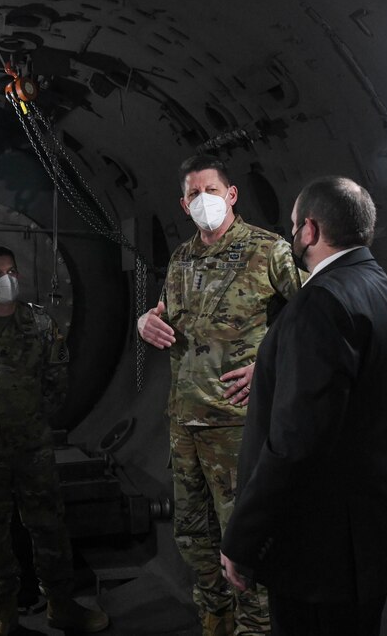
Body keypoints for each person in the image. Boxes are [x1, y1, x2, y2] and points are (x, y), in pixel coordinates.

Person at [219, 176, 387, 636]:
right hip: (367, 533)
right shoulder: (381, 289)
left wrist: (244, 538)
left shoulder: (320, 303)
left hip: (321, 550)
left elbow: (295, 443)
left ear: (309, 229)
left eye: (293, 225)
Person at [137, 154, 301, 636]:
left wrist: (269, 365)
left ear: (231, 195)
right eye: (193, 194)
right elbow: (168, 315)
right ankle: (215, 615)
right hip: (185, 420)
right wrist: (145, 321)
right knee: (192, 535)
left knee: (245, 538)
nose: (202, 200)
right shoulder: (183, 258)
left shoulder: (268, 250)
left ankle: (256, 627)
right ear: (183, 204)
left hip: (237, 424)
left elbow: (315, 317)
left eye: (211, 190)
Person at [0, 246, 109, 636]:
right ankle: (5, 613)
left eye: (11, 271)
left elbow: (57, 380)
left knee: (48, 525)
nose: (6, 279)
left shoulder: (41, 325)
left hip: (32, 447)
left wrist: (31, 417)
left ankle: (61, 606)